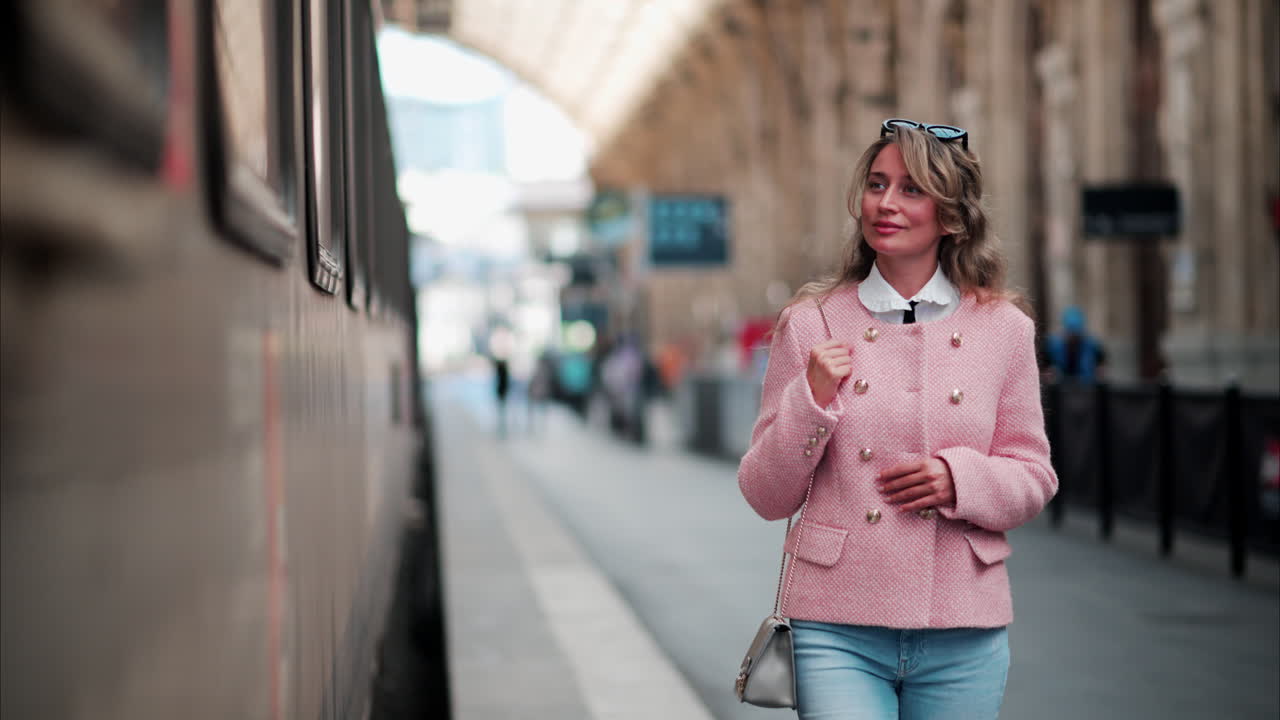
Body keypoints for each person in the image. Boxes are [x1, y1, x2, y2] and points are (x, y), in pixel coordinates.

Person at [737, 119, 1058, 719]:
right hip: (836, 625)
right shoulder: (811, 324)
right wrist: (811, 399)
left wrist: (959, 480)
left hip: (965, 628)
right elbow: (765, 494)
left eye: (911, 189)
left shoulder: (1004, 329)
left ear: (952, 213)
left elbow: (1034, 477)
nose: (886, 203)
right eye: (877, 184)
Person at [1041, 305, 1107, 382]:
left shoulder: (1093, 346)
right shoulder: (1052, 346)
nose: (1073, 337)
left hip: (1086, 386)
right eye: (1070, 333)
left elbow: (1101, 366)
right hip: (1059, 388)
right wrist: (1049, 373)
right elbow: (1045, 368)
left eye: (1076, 333)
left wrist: (1100, 372)